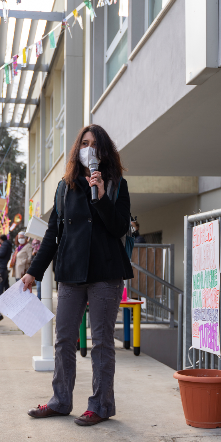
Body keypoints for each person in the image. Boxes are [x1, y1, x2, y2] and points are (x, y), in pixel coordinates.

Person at [22, 124, 133, 426]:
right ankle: (60, 401)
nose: (89, 149)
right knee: (64, 339)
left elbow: (119, 227)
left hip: (105, 273)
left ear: (104, 150)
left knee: (101, 342)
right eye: (84, 143)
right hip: (70, 272)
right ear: (77, 149)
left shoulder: (116, 185)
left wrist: (100, 195)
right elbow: (52, 235)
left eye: (95, 144)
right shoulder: (64, 186)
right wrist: (32, 272)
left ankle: (100, 405)